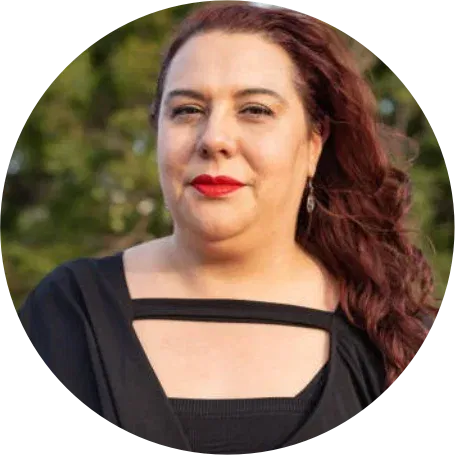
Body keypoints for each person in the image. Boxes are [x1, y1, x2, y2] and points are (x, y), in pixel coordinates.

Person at [16, 2, 439, 453]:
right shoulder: (66, 314)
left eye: (255, 109)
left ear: (314, 144)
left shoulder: (393, 338)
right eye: (187, 110)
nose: (214, 138)